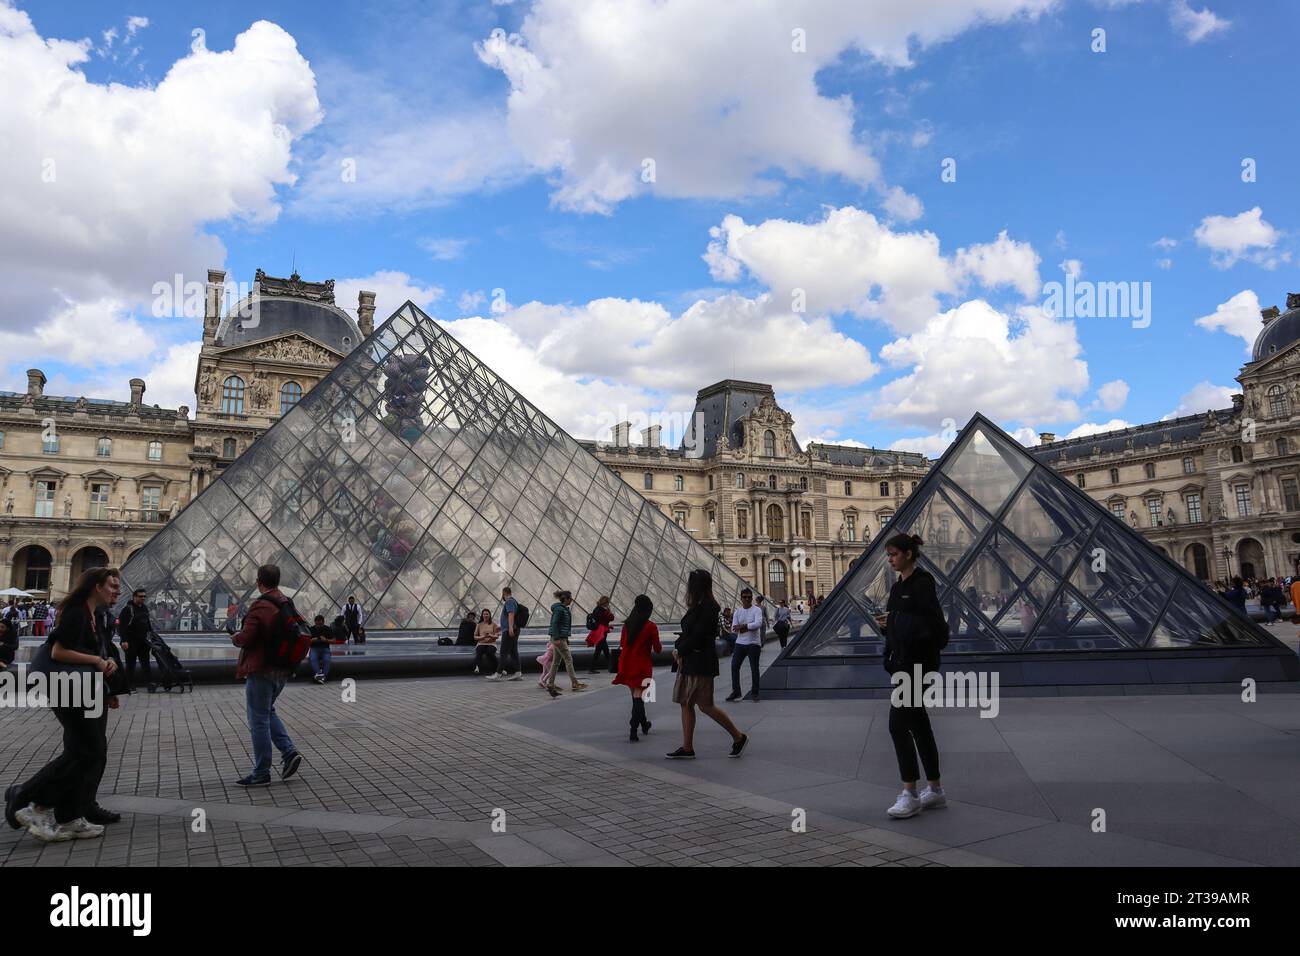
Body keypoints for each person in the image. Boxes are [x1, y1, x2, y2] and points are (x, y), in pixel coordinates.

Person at [5, 567, 123, 842]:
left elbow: (94, 649)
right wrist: (96, 661)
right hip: (66, 689)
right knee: (87, 751)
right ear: (96, 586)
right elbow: (59, 651)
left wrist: (108, 667)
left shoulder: (93, 614)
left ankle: (69, 816)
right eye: (112, 586)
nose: (117, 590)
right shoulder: (76, 612)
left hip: (82, 689)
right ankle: (27, 799)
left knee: (83, 751)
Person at [873, 533, 947, 820]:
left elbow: (933, 625)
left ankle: (910, 793)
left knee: (897, 725)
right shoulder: (897, 588)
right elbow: (899, 625)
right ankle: (936, 789)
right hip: (903, 663)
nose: (890, 559)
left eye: (893, 554)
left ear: (908, 554)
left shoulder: (923, 583)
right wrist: (888, 627)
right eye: (888, 554)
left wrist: (897, 623)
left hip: (918, 664)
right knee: (918, 724)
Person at [231, 564, 304, 787]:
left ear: (258, 581)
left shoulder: (261, 605)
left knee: (258, 720)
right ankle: (289, 753)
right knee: (267, 712)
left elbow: (247, 637)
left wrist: (236, 637)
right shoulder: (285, 601)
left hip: (262, 670)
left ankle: (262, 772)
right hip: (282, 669)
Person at [667, 569, 747, 759]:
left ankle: (738, 737)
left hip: (701, 662)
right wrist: (680, 647)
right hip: (691, 661)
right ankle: (687, 748)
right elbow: (688, 632)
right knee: (686, 703)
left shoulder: (709, 607)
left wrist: (680, 650)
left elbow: (698, 635)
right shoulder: (699, 605)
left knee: (705, 705)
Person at [613, 595, 661, 741]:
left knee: (636, 697)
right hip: (642, 666)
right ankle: (633, 729)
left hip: (626, 663)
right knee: (638, 697)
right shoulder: (651, 626)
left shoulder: (627, 625)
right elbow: (658, 649)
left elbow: (623, 643)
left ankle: (644, 724)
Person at [544, 590, 587, 698]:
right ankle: (574, 683)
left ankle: (550, 683)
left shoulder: (562, 609)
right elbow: (554, 623)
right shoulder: (559, 609)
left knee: (556, 662)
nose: (571, 600)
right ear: (566, 599)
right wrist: (558, 638)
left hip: (560, 638)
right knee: (568, 659)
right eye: (570, 598)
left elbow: (562, 625)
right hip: (558, 638)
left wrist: (565, 638)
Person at [726, 588, 764, 703]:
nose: (747, 599)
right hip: (740, 643)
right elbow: (734, 628)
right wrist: (747, 627)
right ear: (741, 598)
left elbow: (758, 624)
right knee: (734, 667)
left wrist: (742, 627)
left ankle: (755, 692)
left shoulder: (757, 610)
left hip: (753, 644)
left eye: (749, 597)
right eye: (744, 597)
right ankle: (736, 691)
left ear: (752, 598)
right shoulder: (738, 611)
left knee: (754, 669)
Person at [117, 587, 155, 693]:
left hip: (143, 642)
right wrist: (124, 640)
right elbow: (121, 627)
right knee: (130, 665)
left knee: (146, 664)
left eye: (144, 596)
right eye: (140, 596)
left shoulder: (145, 608)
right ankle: (130, 685)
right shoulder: (127, 609)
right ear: (134, 597)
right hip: (130, 642)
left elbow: (147, 623)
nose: (143, 598)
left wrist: (151, 636)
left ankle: (149, 683)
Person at [489, 586, 522, 682]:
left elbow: (511, 614)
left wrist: (510, 628)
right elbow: (509, 616)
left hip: (509, 630)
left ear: (504, 593)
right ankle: (518, 672)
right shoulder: (513, 601)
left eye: (502, 594)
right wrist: (501, 627)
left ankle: (498, 674)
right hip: (510, 629)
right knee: (513, 652)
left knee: (503, 651)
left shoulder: (509, 601)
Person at [585, 595, 615, 674]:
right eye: (607, 602)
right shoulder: (602, 610)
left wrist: (607, 625)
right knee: (605, 649)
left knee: (599, 650)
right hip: (601, 632)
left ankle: (592, 668)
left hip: (598, 631)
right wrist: (609, 611)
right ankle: (612, 667)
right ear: (605, 602)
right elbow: (611, 618)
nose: (608, 604)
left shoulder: (596, 609)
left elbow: (600, 621)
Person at [474, 608, 499, 675]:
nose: (485, 615)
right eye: (484, 614)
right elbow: (475, 637)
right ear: (482, 615)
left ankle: (499, 668)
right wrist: (483, 637)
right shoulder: (479, 625)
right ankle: (477, 667)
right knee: (479, 651)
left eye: (487, 614)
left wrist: (490, 635)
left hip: (491, 643)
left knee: (490, 652)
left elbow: (496, 636)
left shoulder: (494, 625)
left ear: (490, 615)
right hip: (481, 643)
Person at [308, 614, 332, 684]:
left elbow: (334, 640)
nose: (318, 626)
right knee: (313, 659)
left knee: (327, 660)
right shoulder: (311, 629)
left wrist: (326, 640)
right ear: (315, 622)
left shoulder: (327, 629)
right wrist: (312, 640)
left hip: (325, 649)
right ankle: (321, 677)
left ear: (323, 622)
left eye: (320, 624)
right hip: (314, 648)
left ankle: (319, 677)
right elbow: (306, 641)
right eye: (317, 624)